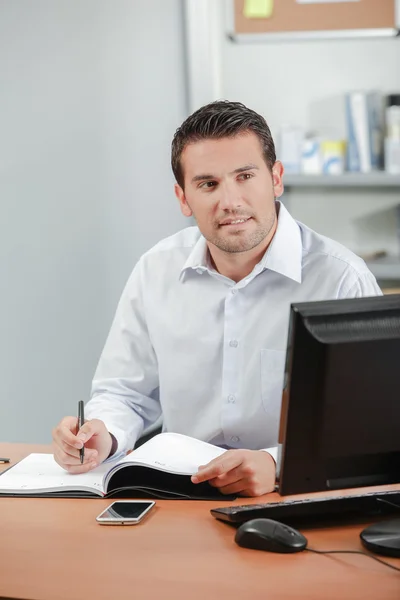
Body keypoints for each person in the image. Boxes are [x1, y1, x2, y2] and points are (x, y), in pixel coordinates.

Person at [52, 100, 381, 496]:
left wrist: (278, 463)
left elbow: (367, 425)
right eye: (208, 184)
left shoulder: (340, 278)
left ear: (276, 178)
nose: (230, 201)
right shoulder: (156, 270)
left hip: (294, 495)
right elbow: (125, 393)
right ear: (183, 198)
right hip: (180, 494)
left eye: (245, 176)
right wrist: (101, 434)